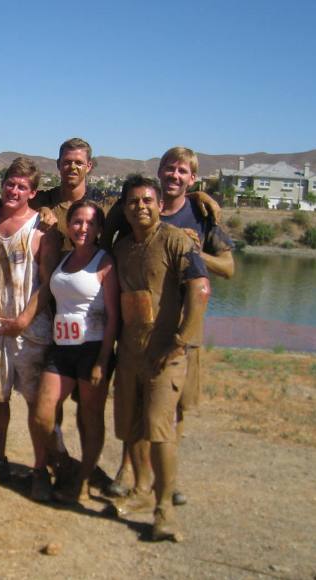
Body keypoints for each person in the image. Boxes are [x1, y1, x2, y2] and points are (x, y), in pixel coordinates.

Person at [107, 148, 234, 505]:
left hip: (179, 334)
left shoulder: (199, 217)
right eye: (169, 169)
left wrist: (193, 254)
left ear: (191, 178)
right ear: (159, 172)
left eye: (183, 172)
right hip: (134, 338)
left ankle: (165, 487)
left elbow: (225, 270)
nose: (174, 175)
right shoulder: (127, 217)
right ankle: (134, 476)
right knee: (132, 412)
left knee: (166, 415)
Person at [110, 174, 209, 542]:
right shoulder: (122, 247)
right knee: (131, 425)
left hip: (166, 353)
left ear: (158, 203)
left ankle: (164, 510)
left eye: (148, 200)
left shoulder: (175, 241)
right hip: (130, 352)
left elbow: (199, 290)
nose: (141, 207)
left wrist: (181, 341)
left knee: (159, 428)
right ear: (124, 207)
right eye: (133, 201)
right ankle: (139, 488)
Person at [0, 157, 59, 487]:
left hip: (30, 330)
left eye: (22, 186)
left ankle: (40, 468)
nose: (14, 190)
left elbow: (48, 283)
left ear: (33, 192)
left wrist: (25, 318)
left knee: (37, 403)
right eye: (10, 183)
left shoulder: (41, 230)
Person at [31, 201, 119, 503]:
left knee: (91, 417)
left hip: (91, 349)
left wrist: (103, 361)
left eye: (90, 223)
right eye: (77, 222)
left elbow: (113, 316)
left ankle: (81, 482)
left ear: (99, 230)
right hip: (61, 348)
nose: (83, 228)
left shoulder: (104, 262)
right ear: (70, 225)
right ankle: (68, 465)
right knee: (42, 415)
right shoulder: (64, 259)